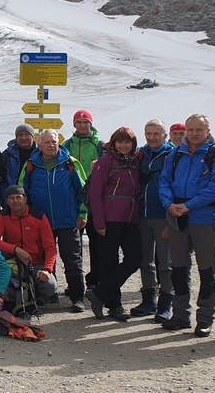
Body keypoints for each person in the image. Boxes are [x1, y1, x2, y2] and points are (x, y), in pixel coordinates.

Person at [159, 114, 215, 337]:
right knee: (179, 269)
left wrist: (188, 205)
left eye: (199, 129)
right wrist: (169, 204)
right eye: (190, 129)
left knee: (206, 270)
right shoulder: (175, 153)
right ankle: (181, 314)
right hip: (177, 217)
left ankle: (205, 319)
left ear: (208, 131)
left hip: (203, 218)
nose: (194, 133)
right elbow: (164, 181)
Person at [18, 129, 87, 313]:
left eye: (54, 142)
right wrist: (27, 216)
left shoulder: (70, 163)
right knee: (44, 259)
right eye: (47, 142)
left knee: (72, 260)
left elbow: (83, 191)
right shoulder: (31, 165)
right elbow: (23, 193)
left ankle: (77, 297)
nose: (51, 145)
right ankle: (49, 293)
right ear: (39, 145)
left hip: (68, 220)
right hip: (41, 222)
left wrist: (83, 213)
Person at [85, 127, 143, 321]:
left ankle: (99, 294)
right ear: (113, 143)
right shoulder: (106, 161)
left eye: (127, 142)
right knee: (109, 262)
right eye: (120, 141)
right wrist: (99, 223)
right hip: (109, 220)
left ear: (133, 144)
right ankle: (115, 306)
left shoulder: (136, 160)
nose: (123, 145)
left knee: (135, 259)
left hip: (131, 219)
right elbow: (95, 193)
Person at [134, 119, 176, 321]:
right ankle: (149, 301)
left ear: (165, 136)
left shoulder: (173, 155)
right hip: (142, 214)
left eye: (156, 134)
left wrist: (171, 220)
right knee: (146, 261)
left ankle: (165, 304)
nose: (151, 137)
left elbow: (176, 186)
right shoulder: (140, 154)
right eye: (148, 133)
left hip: (163, 215)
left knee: (165, 263)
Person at [0, 186, 57, 303]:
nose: (15, 201)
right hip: (12, 262)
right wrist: (15, 249)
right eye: (11, 198)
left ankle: (35, 294)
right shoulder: (3, 216)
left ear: (25, 199)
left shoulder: (39, 217)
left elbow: (50, 248)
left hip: (35, 263)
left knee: (50, 287)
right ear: (7, 201)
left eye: (18, 197)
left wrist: (47, 269)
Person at [63, 109, 105, 295]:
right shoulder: (67, 145)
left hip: (95, 199)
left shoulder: (100, 145)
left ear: (91, 124)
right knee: (74, 246)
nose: (82, 125)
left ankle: (94, 281)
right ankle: (75, 283)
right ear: (74, 125)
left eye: (85, 122)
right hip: (73, 200)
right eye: (79, 122)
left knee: (96, 245)